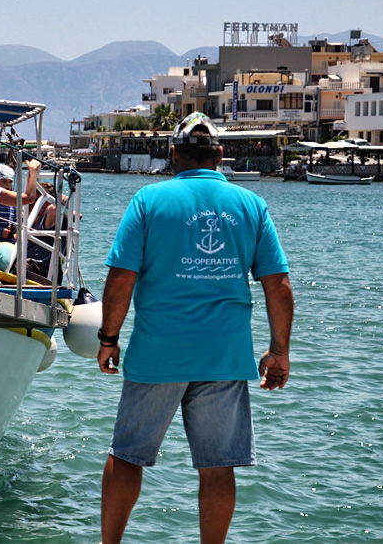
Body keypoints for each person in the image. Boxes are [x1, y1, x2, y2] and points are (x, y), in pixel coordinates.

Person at [96, 112, 294, 544]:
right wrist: (279, 350)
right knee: (217, 466)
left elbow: (121, 278)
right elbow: (277, 284)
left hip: (157, 353)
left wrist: (108, 339)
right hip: (224, 356)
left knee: (127, 456)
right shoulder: (251, 205)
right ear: (220, 155)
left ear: (172, 154)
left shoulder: (148, 201)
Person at [0, 163, 17, 242]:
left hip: (9, 243)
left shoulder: (12, 203)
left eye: (10, 182)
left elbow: (17, 221)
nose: (8, 185)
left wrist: (15, 230)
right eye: (4, 181)